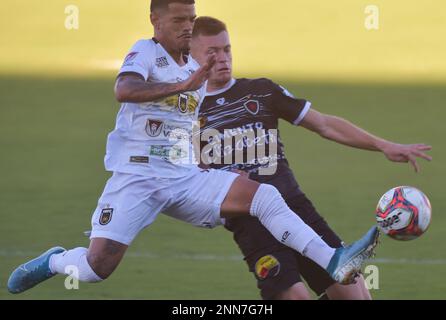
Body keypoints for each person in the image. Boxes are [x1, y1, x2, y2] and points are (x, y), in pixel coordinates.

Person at [7, 0, 379, 295]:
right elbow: (125, 90)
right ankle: (55, 262)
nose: (186, 26)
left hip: (182, 177)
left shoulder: (195, 68)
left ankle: (334, 262)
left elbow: (184, 130)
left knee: (263, 196)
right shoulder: (148, 53)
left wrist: (212, 168)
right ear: (155, 21)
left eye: (191, 18)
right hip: (137, 177)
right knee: (96, 268)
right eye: (178, 20)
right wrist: (182, 87)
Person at [190, 17, 432, 300]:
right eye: (212, 52)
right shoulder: (185, 111)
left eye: (227, 49)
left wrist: (383, 145)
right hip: (252, 222)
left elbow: (325, 124)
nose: (222, 58)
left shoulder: (261, 91)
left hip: (297, 209)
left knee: (356, 295)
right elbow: (184, 176)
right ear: (190, 54)